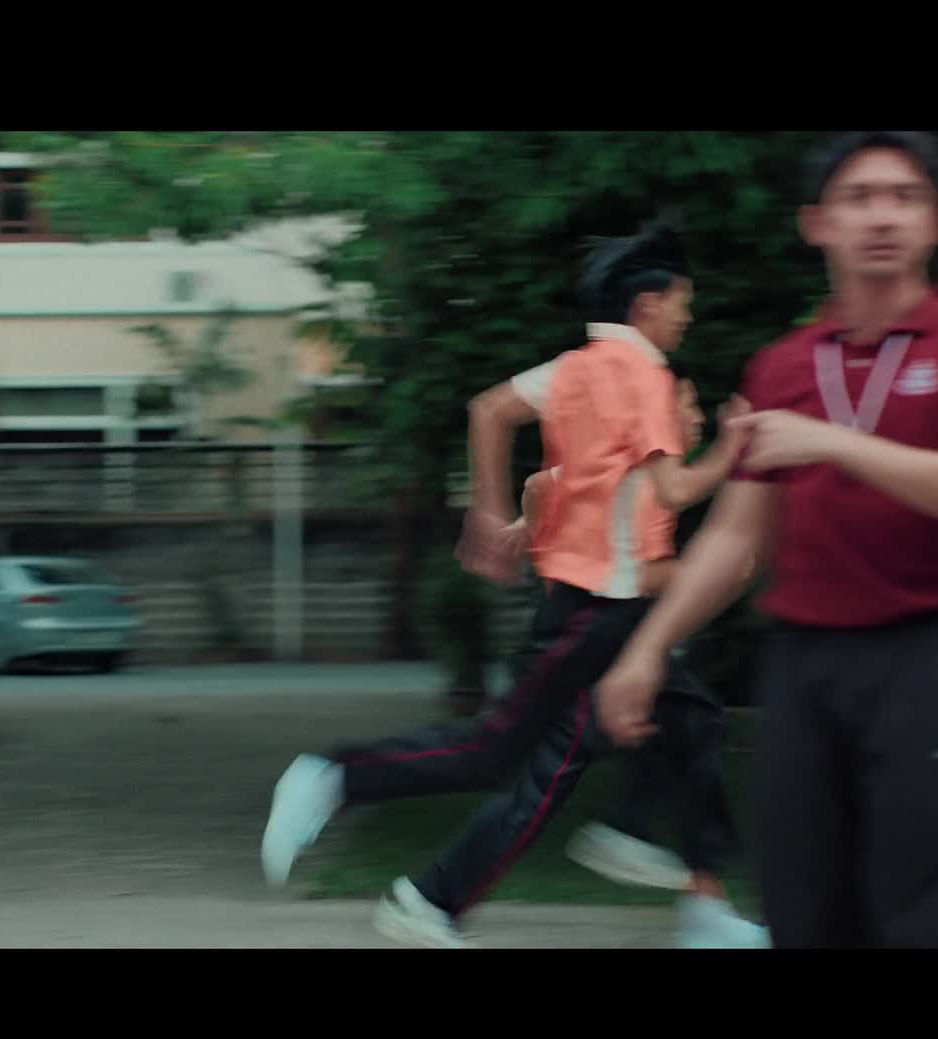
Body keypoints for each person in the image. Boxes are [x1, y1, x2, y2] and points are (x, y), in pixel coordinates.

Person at [594, 132, 938, 949]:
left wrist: (832, 443)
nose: (883, 217)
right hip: (804, 667)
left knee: (925, 919)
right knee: (802, 911)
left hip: (926, 660)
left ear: (936, 222)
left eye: (905, 197)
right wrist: (648, 650)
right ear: (818, 223)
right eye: (859, 197)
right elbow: (737, 537)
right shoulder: (783, 367)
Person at [261, 221, 758, 947]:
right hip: (598, 615)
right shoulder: (645, 375)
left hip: (604, 613)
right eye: (683, 301)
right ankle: (335, 775)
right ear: (648, 304)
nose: (688, 316)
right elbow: (676, 488)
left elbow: (495, 418)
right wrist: (733, 453)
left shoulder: (578, 368)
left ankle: (640, 871)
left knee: (689, 723)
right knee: (495, 751)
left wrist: (492, 517)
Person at [501, 389, 767, 948]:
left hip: (594, 637)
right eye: (686, 405)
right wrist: (705, 575)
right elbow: (640, 574)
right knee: (689, 724)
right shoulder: (642, 478)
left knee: (688, 732)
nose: (695, 415)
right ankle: (631, 837)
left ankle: (696, 896)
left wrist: (533, 529)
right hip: (595, 638)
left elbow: (540, 486)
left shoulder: (632, 476)